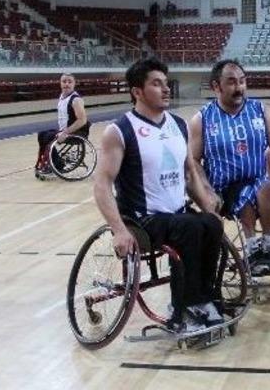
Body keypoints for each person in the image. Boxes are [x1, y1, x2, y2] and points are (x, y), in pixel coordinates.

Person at [93, 57, 225, 333]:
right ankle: (184, 306)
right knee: (189, 228)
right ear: (137, 92)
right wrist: (118, 230)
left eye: (166, 83)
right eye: (156, 84)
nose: (166, 89)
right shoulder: (120, 131)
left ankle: (204, 297)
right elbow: (102, 184)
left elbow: (190, 173)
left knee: (212, 224)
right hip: (143, 219)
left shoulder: (178, 125)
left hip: (177, 214)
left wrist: (207, 208)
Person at [189, 60, 270, 276]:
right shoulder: (202, 119)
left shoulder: (260, 111)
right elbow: (193, 161)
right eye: (232, 82)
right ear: (217, 86)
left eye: (242, 82)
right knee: (245, 194)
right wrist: (206, 191)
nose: (239, 88)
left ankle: (269, 244)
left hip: (256, 179)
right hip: (224, 187)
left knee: (268, 185)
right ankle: (253, 248)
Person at [35, 73, 90, 178]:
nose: (67, 84)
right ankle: (47, 162)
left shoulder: (76, 100)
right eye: (64, 81)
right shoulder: (62, 97)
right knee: (41, 135)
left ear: (74, 84)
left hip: (77, 132)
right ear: (60, 83)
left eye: (70, 82)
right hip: (65, 131)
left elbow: (82, 120)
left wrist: (65, 132)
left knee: (48, 137)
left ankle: (58, 165)